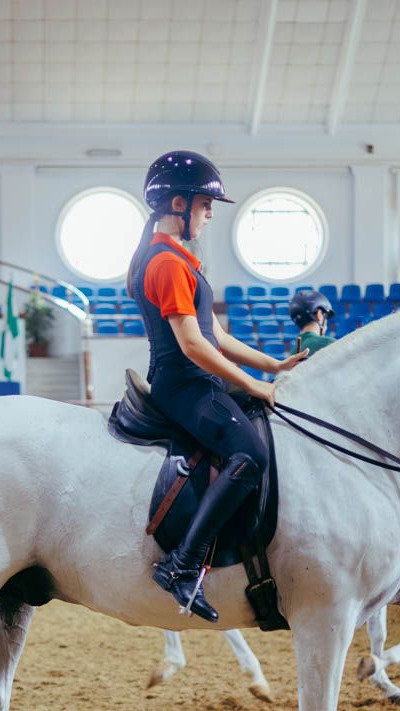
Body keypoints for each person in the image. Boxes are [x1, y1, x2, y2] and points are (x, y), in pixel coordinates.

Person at [128, 150, 308, 622]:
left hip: (200, 377)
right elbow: (192, 345)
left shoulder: (183, 260)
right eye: (205, 204)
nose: (210, 213)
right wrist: (252, 383)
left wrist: (274, 365)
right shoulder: (165, 263)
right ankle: (183, 566)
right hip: (185, 383)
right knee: (251, 454)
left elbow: (217, 335)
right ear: (177, 204)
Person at [289, 289, 337, 356]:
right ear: (319, 314)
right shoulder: (327, 343)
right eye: (326, 317)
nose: (326, 325)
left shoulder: (293, 351)